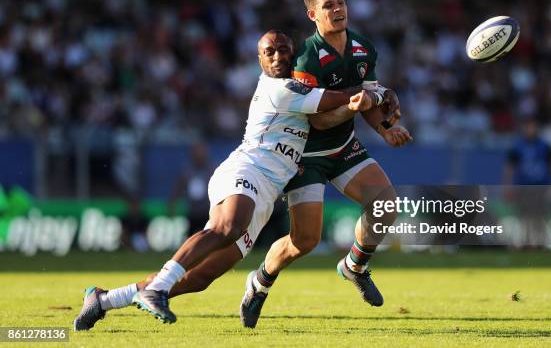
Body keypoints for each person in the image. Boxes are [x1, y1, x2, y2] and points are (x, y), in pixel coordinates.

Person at [73, 29, 381, 329]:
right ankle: (156, 289)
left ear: (293, 54)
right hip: (245, 171)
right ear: (259, 59)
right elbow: (339, 98)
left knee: (200, 278)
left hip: (266, 193)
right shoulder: (282, 90)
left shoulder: (298, 87)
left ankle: (104, 300)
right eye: (268, 52)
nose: (276, 57)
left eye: (283, 50)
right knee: (227, 227)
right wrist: (379, 93)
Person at [240, 0, 413, 328]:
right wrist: (355, 106)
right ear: (312, 15)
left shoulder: (363, 47)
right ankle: (259, 283)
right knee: (304, 241)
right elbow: (318, 121)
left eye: (340, 2)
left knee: (386, 206)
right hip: (306, 156)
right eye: (328, 6)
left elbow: (368, 97)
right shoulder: (304, 58)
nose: (338, 9)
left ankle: (354, 267)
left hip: (345, 147)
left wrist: (385, 128)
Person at [167, 142, 214, 235]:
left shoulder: (212, 170)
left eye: (201, 152)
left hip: (208, 212)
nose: (199, 155)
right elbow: (178, 188)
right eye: (197, 153)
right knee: (190, 240)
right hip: (193, 212)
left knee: (210, 239)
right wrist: (172, 204)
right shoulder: (187, 171)